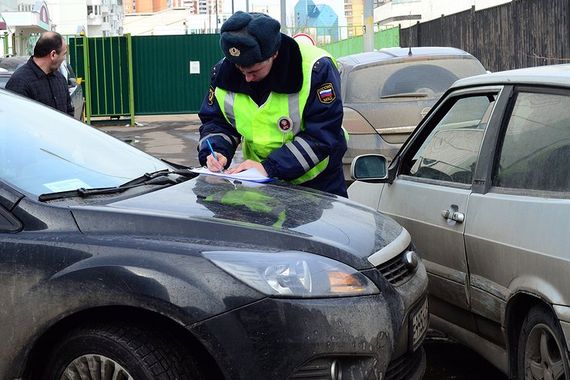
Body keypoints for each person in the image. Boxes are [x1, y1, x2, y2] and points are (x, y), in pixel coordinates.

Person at [197, 11, 347, 197]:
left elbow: (322, 135)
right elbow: (216, 122)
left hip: (318, 183)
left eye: (254, 70)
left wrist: (269, 167)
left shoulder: (316, 69)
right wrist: (217, 151)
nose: (247, 78)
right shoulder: (223, 72)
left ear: (274, 54)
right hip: (260, 182)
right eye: (239, 68)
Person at [6, 31, 74, 117]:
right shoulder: (20, 83)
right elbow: (16, 120)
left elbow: (69, 113)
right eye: (64, 54)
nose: (64, 58)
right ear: (53, 54)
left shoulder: (60, 79)